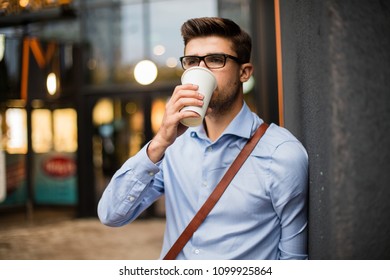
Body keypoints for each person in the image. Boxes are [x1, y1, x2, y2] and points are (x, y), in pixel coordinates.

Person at [98, 17, 308, 260]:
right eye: (192, 62)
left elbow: (293, 260)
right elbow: (111, 215)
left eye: (216, 60)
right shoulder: (172, 148)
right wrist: (158, 143)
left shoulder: (281, 153)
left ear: (244, 72)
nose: (201, 70)